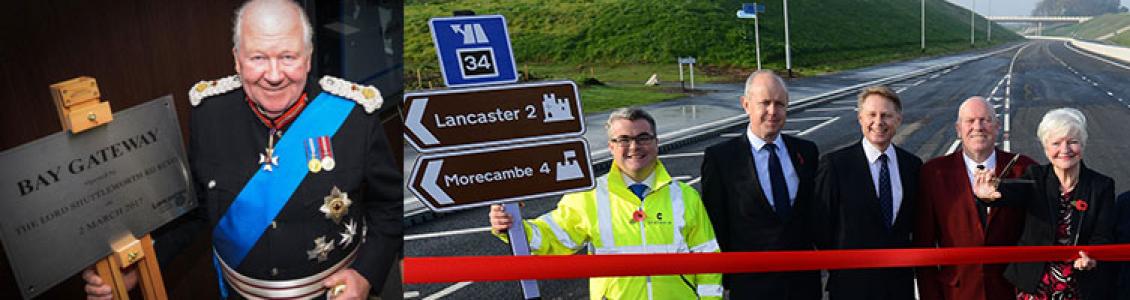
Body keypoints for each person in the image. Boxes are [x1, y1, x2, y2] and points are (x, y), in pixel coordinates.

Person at [82, 0, 401, 298]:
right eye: (258, 58)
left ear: (308, 57)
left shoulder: (354, 117)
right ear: (236, 59)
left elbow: (389, 206)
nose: (274, 76)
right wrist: (139, 266)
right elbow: (196, 208)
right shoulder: (209, 114)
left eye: (288, 57)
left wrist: (365, 274)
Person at [488, 107, 722, 300]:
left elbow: (708, 259)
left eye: (643, 138)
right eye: (623, 140)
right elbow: (550, 239)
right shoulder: (590, 195)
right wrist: (511, 225)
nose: (634, 146)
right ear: (611, 147)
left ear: (656, 142)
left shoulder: (685, 196)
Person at [700, 70, 820, 299]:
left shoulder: (806, 152)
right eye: (764, 103)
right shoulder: (721, 159)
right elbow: (716, 222)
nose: (773, 112)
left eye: (780, 104)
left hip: (803, 284)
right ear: (746, 105)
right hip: (751, 285)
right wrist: (724, 277)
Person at [974, 108, 1115, 300]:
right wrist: (986, 196)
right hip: (1035, 286)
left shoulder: (1101, 185)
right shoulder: (1035, 176)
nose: (1065, 150)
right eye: (1056, 143)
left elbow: (1103, 234)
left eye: (1072, 142)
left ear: (1083, 145)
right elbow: (1009, 193)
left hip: (1080, 286)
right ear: (1046, 149)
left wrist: (1091, 257)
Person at [913, 96, 1036, 300]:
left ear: (997, 127)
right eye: (970, 121)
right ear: (958, 129)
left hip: (1012, 291)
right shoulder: (933, 173)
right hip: (955, 292)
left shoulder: (1024, 168)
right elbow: (923, 242)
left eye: (985, 120)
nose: (978, 127)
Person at [813, 85, 922, 300]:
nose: (878, 122)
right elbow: (820, 226)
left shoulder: (912, 166)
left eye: (886, 115)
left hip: (898, 285)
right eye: (871, 115)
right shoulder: (835, 165)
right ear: (860, 118)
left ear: (898, 120)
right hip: (851, 285)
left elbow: (915, 222)